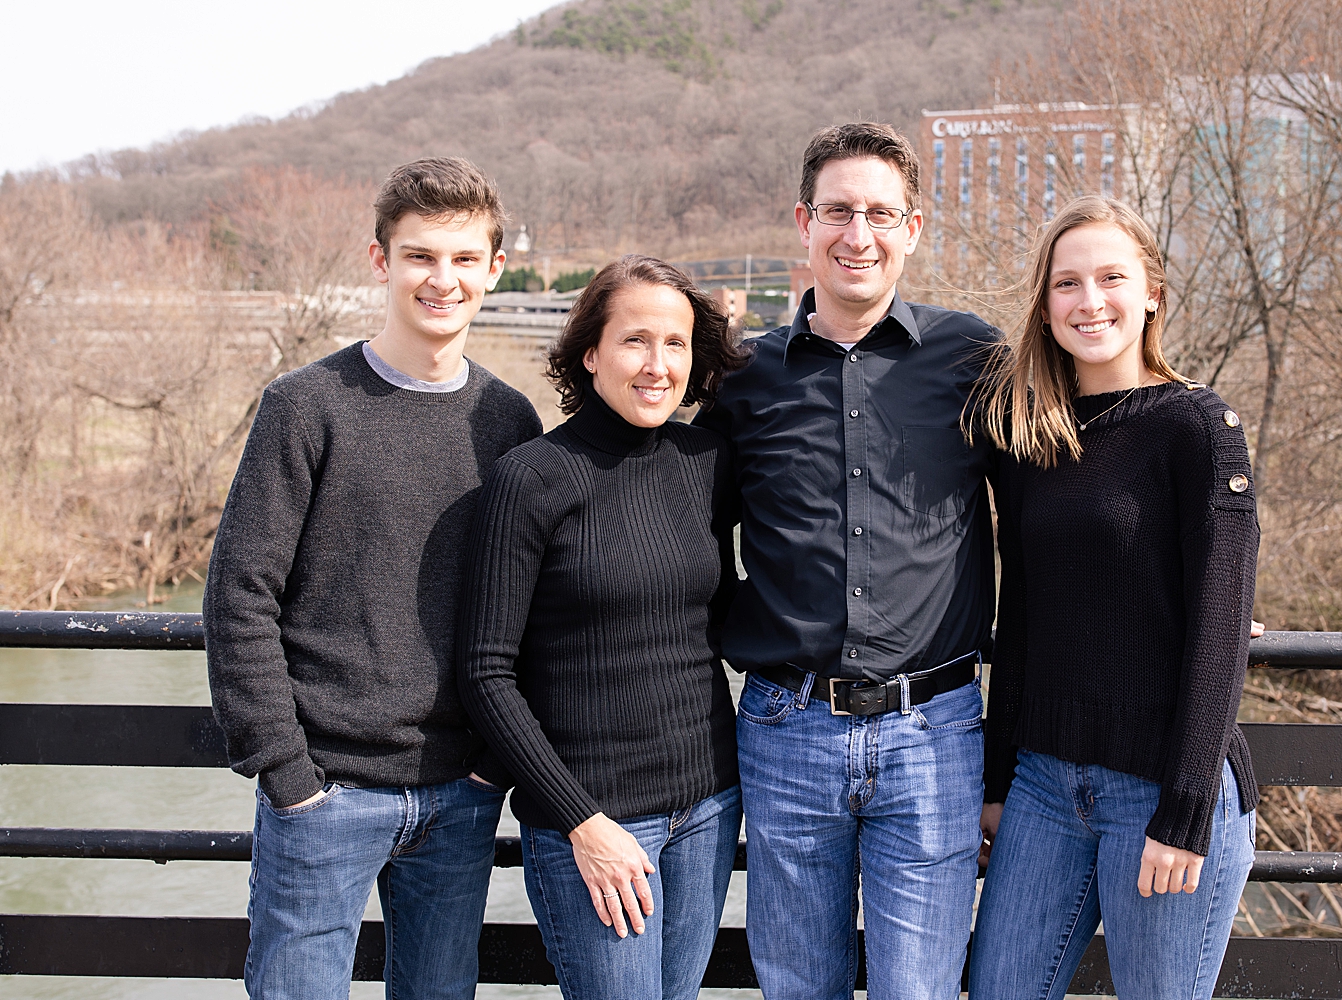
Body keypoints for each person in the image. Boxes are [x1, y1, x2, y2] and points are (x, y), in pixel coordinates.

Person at [204, 157, 543, 1000]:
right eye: (421, 256)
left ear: (495, 269)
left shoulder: (509, 421)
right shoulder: (306, 405)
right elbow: (240, 596)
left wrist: (492, 770)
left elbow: (532, 611)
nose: (443, 279)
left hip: (460, 795)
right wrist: (288, 778)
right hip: (324, 793)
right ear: (380, 259)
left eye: (465, 259)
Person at [693, 122, 997, 1000]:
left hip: (934, 732)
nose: (856, 235)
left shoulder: (971, 357)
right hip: (787, 728)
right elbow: (684, 534)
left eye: (879, 213)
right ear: (803, 221)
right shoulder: (742, 377)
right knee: (797, 986)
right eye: (837, 212)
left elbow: (1058, 510)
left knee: (919, 989)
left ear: (912, 228)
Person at [967, 195, 1259, 999]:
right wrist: (997, 782)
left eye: (1111, 278)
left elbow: (1221, 626)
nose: (1089, 301)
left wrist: (1186, 810)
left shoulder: (1198, 427)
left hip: (1161, 787)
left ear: (1152, 290)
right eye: (1068, 284)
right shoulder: (1032, 435)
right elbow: (1020, 617)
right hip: (1044, 789)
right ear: (1045, 303)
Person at [456, 255, 747, 1000]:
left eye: (676, 344)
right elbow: (487, 671)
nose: (658, 365)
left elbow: (711, 618)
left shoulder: (706, 462)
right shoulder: (532, 477)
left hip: (710, 804)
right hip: (596, 819)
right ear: (591, 353)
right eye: (635, 341)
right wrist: (581, 821)